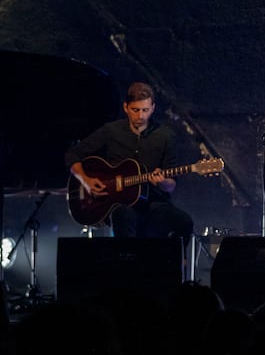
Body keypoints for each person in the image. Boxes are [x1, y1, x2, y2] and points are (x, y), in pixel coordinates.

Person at [64, 81, 194, 242]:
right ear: (126, 107)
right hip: (116, 204)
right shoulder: (111, 130)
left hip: (153, 203)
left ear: (153, 108)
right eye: (135, 110)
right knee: (123, 214)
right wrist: (87, 180)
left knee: (184, 223)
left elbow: (171, 185)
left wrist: (162, 183)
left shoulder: (166, 136)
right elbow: (73, 155)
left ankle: (171, 264)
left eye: (145, 110)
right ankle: (125, 264)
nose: (140, 116)